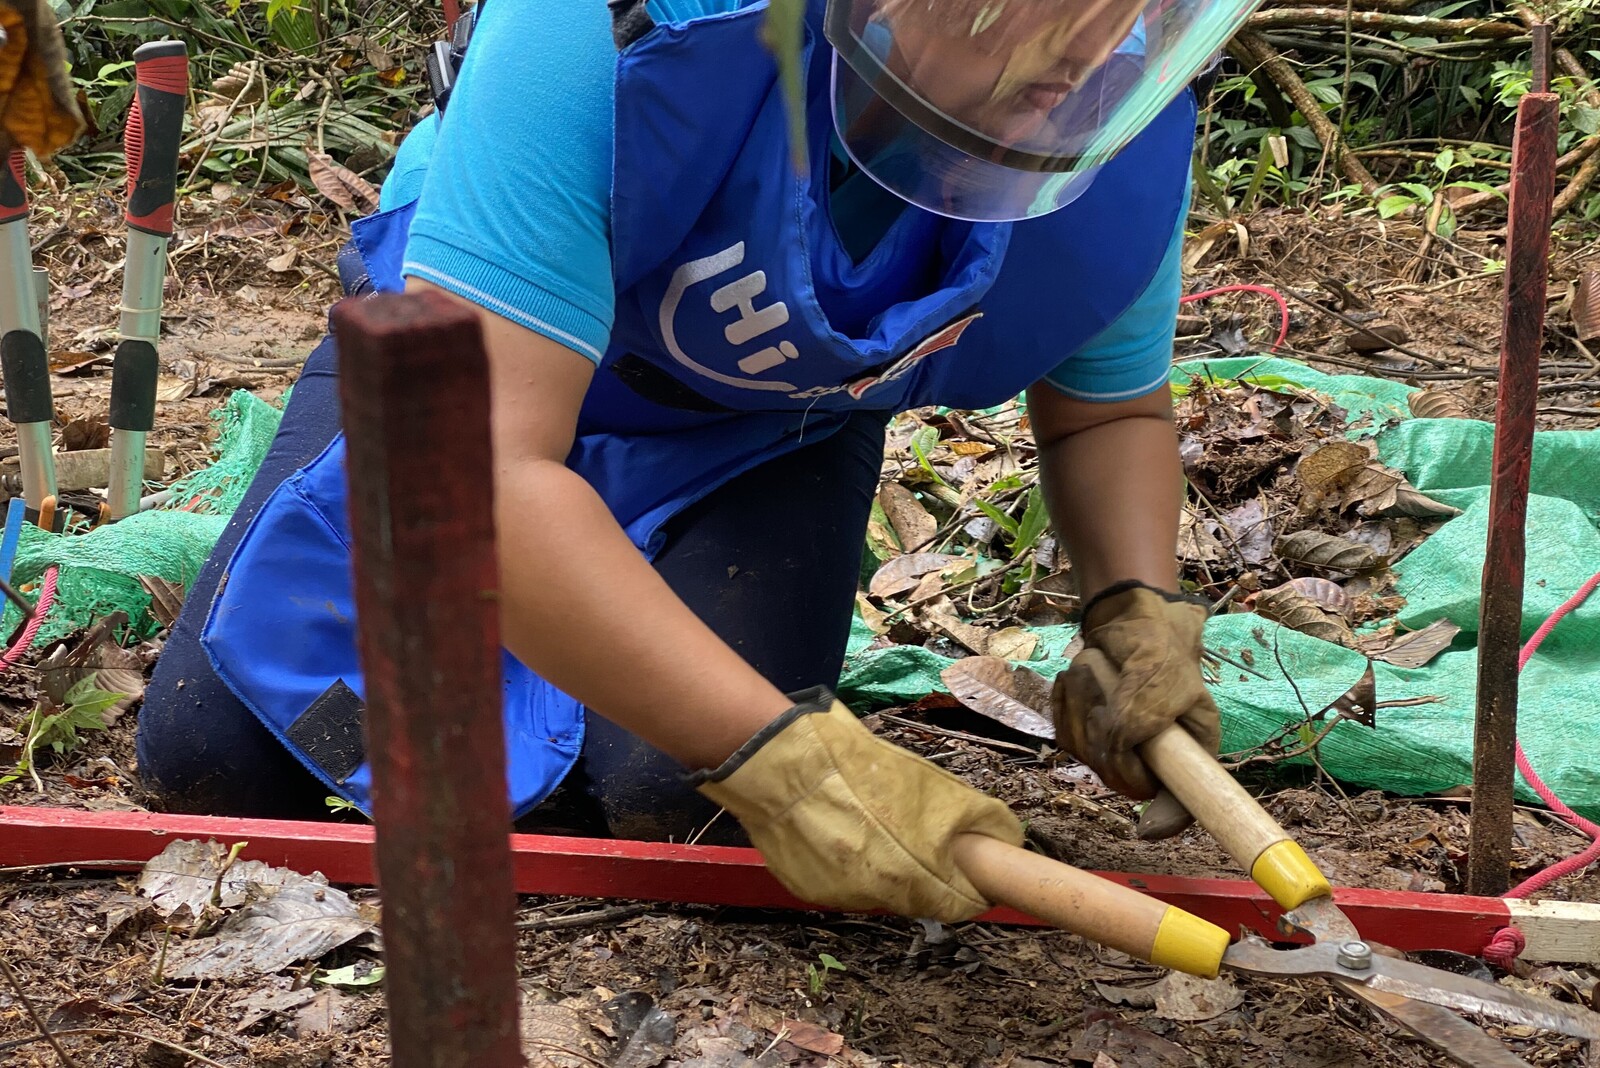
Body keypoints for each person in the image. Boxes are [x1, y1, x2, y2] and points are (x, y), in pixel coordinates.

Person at [137, 0, 1253, 923]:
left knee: (680, 796)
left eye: (1135, 16)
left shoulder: (1119, 120)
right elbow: (480, 474)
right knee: (222, 755)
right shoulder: (613, 26)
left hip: (767, 420)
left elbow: (1107, 411)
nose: (1085, 55)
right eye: (1037, 13)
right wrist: (789, 756)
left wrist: (1134, 612)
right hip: (473, 371)